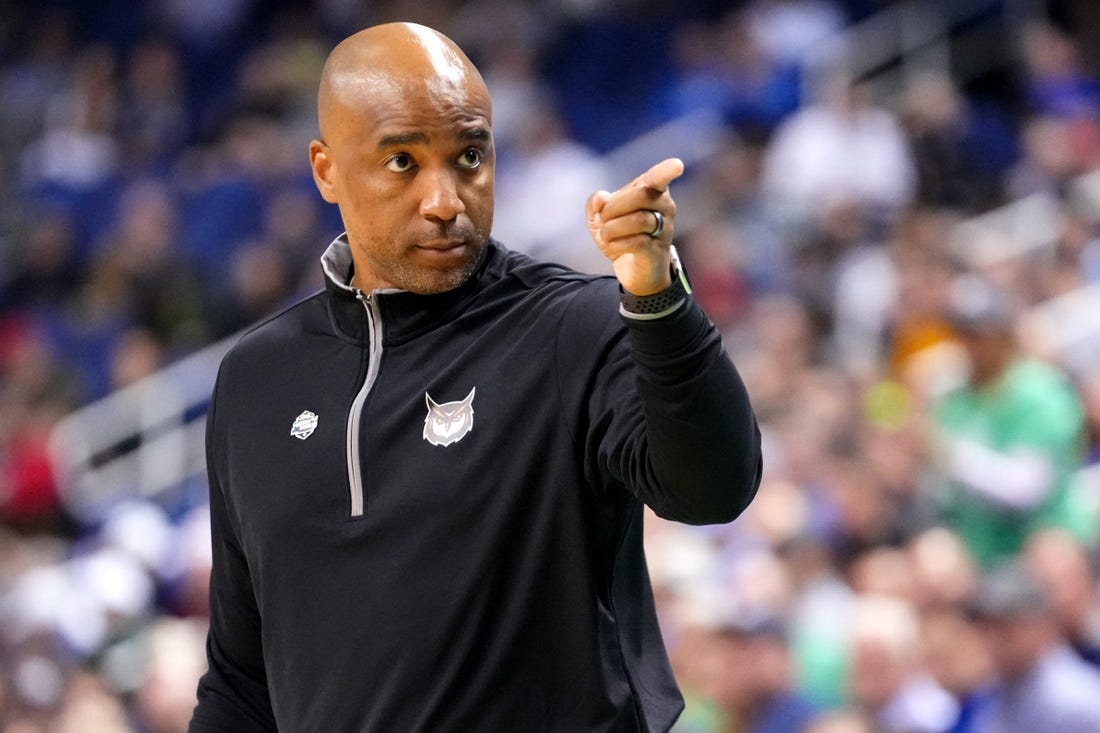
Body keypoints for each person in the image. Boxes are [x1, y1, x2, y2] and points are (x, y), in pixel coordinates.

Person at [187, 21, 762, 733]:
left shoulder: (571, 326)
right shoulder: (256, 380)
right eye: (402, 162)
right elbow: (242, 680)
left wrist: (657, 299)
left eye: (468, 155)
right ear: (326, 167)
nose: (445, 200)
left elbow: (715, 486)